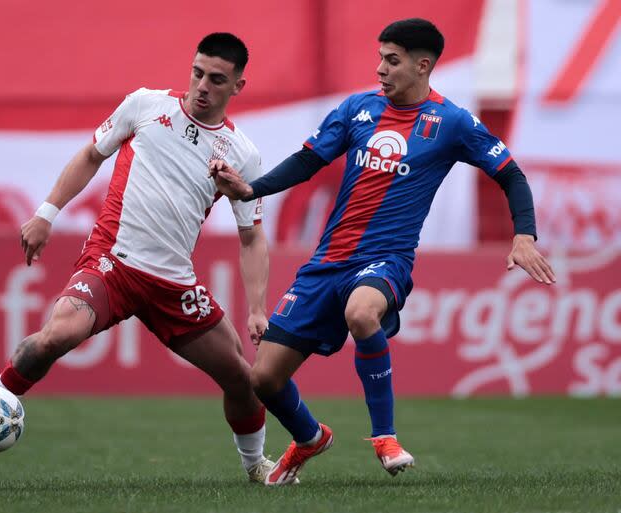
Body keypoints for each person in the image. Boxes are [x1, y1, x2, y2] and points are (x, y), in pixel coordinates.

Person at [210, 18, 557, 486]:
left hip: (386, 259)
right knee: (263, 380)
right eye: (380, 58)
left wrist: (524, 234)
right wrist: (252, 188)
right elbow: (309, 161)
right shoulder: (357, 109)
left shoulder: (451, 122)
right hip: (327, 263)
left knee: (362, 314)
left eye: (391, 61)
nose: (380, 69)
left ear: (423, 65)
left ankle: (384, 436)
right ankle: (310, 437)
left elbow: (511, 174)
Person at [0, 32, 277, 490]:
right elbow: (89, 155)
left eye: (217, 79)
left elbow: (251, 236)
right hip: (112, 263)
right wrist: (46, 214)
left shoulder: (243, 154)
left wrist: (257, 307)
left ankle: (256, 467)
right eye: (197, 72)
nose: (202, 85)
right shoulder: (144, 106)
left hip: (173, 283)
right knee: (54, 338)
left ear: (237, 86)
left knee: (243, 378)